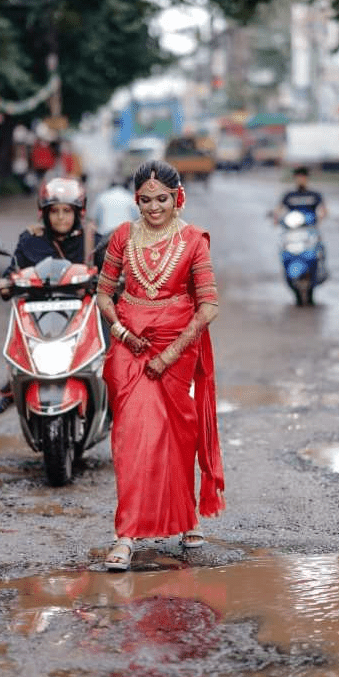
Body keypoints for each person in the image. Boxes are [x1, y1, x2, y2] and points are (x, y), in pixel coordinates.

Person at [96, 159, 225, 570]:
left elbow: (208, 307)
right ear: (136, 200)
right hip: (129, 348)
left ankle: (186, 516)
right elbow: (103, 295)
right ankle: (126, 535)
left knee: (177, 434)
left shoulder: (192, 241)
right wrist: (121, 333)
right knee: (130, 437)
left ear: (177, 198)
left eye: (162, 199)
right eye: (146, 200)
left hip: (176, 348)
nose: (154, 208)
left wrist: (169, 354)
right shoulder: (122, 236)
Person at [0, 177, 96, 414]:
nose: (60, 217)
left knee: (111, 355)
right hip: (39, 313)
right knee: (18, 343)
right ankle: (13, 387)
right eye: (54, 211)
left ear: (78, 212)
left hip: (81, 315)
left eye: (67, 210)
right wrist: (5, 284)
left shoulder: (91, 240)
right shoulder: (31, 240)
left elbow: (112, 266)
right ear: (44, 213)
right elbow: (13, 271)